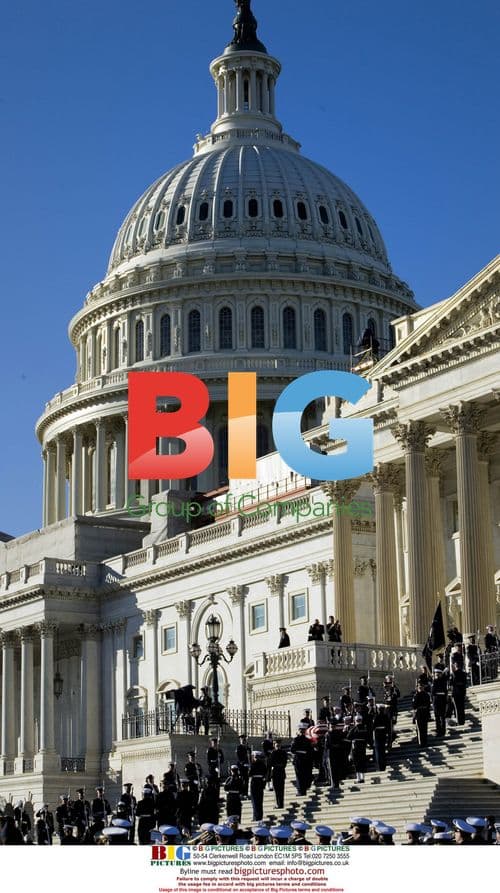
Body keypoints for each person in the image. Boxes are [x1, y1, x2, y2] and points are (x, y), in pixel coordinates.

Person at [290, 725, 314, 795]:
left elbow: (310, 750)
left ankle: (302, 790)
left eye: (303, 730)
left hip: (305, 760)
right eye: (301, 730)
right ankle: (301, 791)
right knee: (300, 776)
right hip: (299, 760)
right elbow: (292, 750)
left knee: (303, 775)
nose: (302, 732)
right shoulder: (296, 740)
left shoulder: (307, 740)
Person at [346, 714, 368, 784]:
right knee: (362, 763)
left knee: (357, 763)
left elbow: (348, 737)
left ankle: (359, 779)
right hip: (363, 748)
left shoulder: (354, 728)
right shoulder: (365, 728)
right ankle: (362, 778)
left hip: (355, 748)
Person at [268, 739, 288, 809]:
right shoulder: (274, 753)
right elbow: (270, 763)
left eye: (278, 745)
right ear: (274, 745)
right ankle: (279, 804)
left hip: (278, 772)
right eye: (276, 745)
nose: (278, 746)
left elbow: (284, 763)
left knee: (280, 790)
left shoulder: (278, 753)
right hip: (277, 772)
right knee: (277, 790)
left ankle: (280, 804)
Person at [249, 751, 267, 821]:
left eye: (255, 757)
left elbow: (250, 774)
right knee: (259, 801)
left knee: (255, 801)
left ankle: (256, 817)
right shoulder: (263, 765)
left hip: (254, 783)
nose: (255, 758)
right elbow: (265, 774)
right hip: (260, 782)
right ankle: (259, 817)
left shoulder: (253, 765)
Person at [412, 682, 431, 747]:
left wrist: (428, 714)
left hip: (424, 712)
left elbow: (428, 705)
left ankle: (424, 742)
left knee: (424, 728)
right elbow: (414, 706)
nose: (420, 688)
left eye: (421, 687)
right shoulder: (416, 695)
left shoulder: (426, 695)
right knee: (419, 729)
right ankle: (421, 743)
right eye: (419, 687)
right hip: (418, 713)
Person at [372, 704, 390, 771]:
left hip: (377, 735)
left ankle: (379, 767)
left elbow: (373, 727)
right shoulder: (386, 717)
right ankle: (383, 766)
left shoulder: (376, 716)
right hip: (383, 735)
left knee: (378, 752)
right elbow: (388, 727)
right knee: (382, 751)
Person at [431, 668, 448, 737]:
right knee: (437, 717)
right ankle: (439, 731)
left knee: (442, 717)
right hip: (436, 702)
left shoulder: (442, 682)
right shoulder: (434, 682)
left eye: (438, 674)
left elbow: (445, 692)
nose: (436, 675)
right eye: (436, 674)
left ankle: (442, 731)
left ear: (440, 674)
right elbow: (432, 693)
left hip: (441, 701)